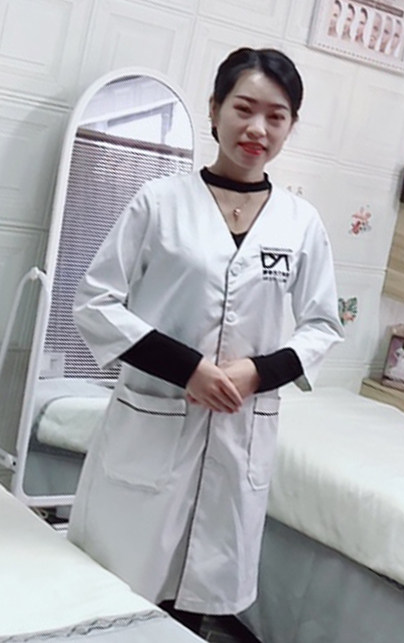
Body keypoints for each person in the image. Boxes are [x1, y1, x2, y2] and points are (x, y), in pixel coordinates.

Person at [67, 47, 344, 633]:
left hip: (240, 425)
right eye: (244, 108)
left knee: (198, 602)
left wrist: (258, 372)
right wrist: (188, 368)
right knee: (121, 591)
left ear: (291, 125)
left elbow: (323, 325)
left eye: (276, 116)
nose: (257, 128)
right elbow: (95, 303)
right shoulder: (158, 203)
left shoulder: (301, 223)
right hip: (155, 416)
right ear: (214, 109)